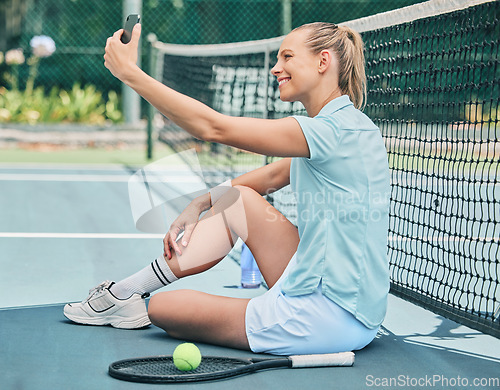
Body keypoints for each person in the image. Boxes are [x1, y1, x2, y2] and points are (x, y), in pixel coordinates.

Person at [64, 21, 391, 355]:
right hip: (358, 308)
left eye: (287, 57)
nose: (276, 68)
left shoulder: (328, 132)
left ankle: (126, 295)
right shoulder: (352, 126)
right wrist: (200, 203)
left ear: (323, 62)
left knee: (164, 308)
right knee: (238, 199)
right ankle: (125, 293)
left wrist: (130, 73)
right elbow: (269, 178)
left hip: (325, 318)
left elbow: (212, 127)